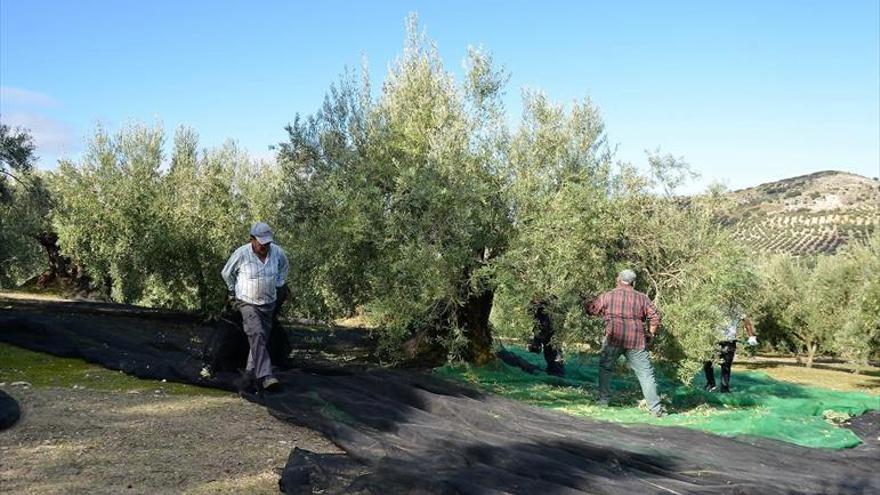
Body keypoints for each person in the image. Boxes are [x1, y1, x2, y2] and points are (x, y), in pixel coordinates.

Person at [585, 269, 666, 417]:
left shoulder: (608, 296)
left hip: (613, 339)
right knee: (646, 374)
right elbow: (655, 318)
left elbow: (592, 309)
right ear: (633, 283)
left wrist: (587, 300)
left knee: (606, 369)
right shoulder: (642, 298)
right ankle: (655, 410)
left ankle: (603, 401)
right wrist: (651, 334)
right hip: (636, 341)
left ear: (618, 280)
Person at [221, 222, 289, 391]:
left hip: (268, 303)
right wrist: (231, 291)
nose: (264, 246)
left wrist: (279, 284)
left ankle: (249, 376)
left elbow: (284, 267)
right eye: (261, 242)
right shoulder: (242, 254)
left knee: (260, 340)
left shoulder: (277, 253)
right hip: (247, 302)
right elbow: (226, 273)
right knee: (257, 333)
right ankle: (266, 376)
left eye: (267, 242)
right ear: (252, 239)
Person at [703, 305, 757, 393]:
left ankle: (724, 389)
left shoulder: (736, 307)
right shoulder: (712, 304)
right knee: (707, 363)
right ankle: (711, 384)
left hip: (729, 342)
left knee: (726, 367)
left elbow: (746, 322)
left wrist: (751, 336)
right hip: (714, 341)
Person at [527, 296, 565, 377]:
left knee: (554, 354)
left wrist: (536, 343)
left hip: (551, 333)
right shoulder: (543, 306)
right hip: (552, 332)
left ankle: (557, 376)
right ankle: (557, 373)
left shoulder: (545, 307)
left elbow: (542, 326)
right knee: (554, 354)